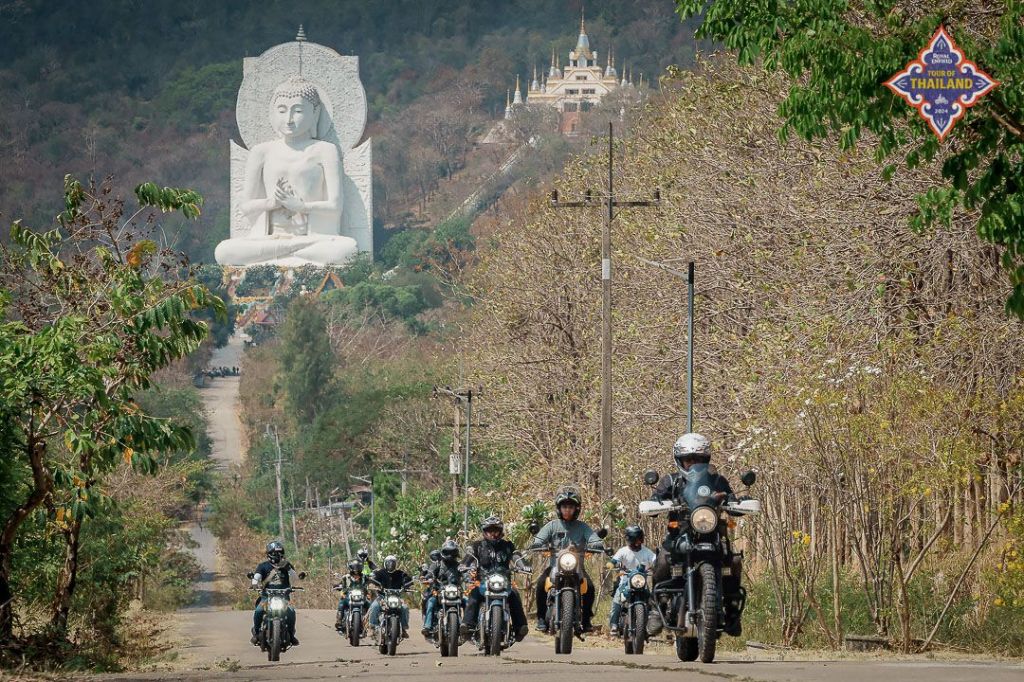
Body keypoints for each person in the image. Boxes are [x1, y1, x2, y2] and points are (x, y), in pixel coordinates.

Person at [650, 433, 744, 635]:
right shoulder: (671, 481)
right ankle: (657, 609)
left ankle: (732, 609)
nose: (693, 463)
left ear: (706, 460)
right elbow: (655, 498)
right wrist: (654, 503)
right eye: (688, 459)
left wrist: (737, 503)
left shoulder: (717, 480)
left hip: (713, 534)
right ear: (680, 460)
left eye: (698, 459)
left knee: (734, 562)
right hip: (679, 535)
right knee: (663, 561)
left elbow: (732, 498)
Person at [528, 487, 605, 633]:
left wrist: (596, 544)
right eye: (564, 507)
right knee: (540, 584)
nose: (567, 510)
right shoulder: (552, 525)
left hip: (577, 567)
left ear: (576, 509)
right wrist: (538, 543)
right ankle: (541, 619)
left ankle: (586, 620)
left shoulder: (583, 527)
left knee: (589, 587)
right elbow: (540, 538)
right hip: (554, 566)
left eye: (570, 507)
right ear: (559, 508)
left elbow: (594, 539)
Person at [461, 515, 530, 641]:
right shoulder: (477, 546)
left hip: (504, 582)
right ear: (484, 531)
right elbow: (469, 556)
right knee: (474, 595)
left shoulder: (508, 546)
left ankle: (520, 627)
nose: (492, 534)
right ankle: (468, 625)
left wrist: (523, 565)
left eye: (495, 530)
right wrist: (464, 565)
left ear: (501, 531)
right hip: (483, 581)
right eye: (489, 530)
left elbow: (516, 556)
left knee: (514, 595)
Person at [250, 540, 304, 646]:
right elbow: (257, 576)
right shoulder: (263, 566)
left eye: (280, 553)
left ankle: (291, 635)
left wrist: (289, 569)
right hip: (266, 597)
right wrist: (255, 583)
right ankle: (256, 633)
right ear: (269, 554)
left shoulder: (287, 565)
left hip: (283, 598)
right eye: (275, 553)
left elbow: (295, 578)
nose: (278, 555)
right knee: (259, 611)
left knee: (291, 612)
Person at [607, 525, 657, 636]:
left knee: (651, 601)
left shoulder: (646, 551)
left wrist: (657, 565)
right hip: (625, 582)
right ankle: (614, 624)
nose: (638, 542)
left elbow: (655, 560)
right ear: (630, 539)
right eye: (636, 539)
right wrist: (611, 564)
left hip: (641, 583)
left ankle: (650, 626)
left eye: (640, 538)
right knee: (617, 601)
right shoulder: (623, 551)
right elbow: (614, 560)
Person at [421, 539, 463, 637]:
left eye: (452, 552)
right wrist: (427, 577)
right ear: (443, 552)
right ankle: (427, 626)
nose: (450, 555)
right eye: (447, 552)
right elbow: (430, 573)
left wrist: (469, 577)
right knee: (430, 602)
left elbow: (465, 574)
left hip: (455, 592)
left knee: (468, 602)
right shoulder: (437, 564)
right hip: (439, 591)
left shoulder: (459, 565)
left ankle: (468, 625)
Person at [367, 555, 413, 639]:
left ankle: (403, 628)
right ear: (385, 563)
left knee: (405, 608)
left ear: (396, 564)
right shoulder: (380, 572)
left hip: (397, 597)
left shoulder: (400, 573)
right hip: (382, 597)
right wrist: (372, 585)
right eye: (388, 562)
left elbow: (407, 580)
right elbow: (373, 580)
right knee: (374, 606)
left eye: (393, 563)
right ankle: (372, 627)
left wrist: (408, 586)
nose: (390, 565)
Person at [333, 559, 369, 632]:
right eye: (354, 570)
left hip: (362, 597)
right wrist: (339, 588)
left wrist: (371, 589)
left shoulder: (364, 577)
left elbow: (370, 584)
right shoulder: (346, 577)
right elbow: (341, 585)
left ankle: (371, 623)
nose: (356, 572)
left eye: (357, 570)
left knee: (370, 605)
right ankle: (339, 620)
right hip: (348, 597)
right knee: (341, 604)